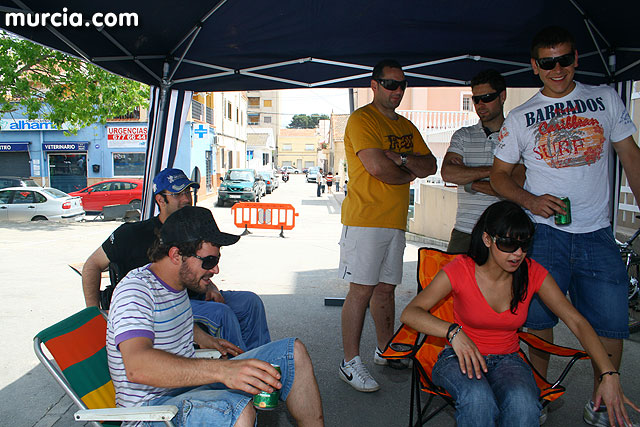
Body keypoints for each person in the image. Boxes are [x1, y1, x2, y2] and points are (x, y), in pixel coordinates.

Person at [490, 26, 640, 426]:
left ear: (576, 59)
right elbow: (499, 176)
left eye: (564, 60)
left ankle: (602, 401)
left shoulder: (605, 98)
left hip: (598, 233)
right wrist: (530, 201)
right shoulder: (520, 117)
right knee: (538, 323)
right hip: (544, 236)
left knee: (610, 325)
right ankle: (539, 394)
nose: (557, 69)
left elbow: (631, 157)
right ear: (535, 66)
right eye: (548, 62)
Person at [401, 201, 639, 427]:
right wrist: (453, 332)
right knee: (478, 400)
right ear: (487, 239)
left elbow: (576, 321)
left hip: (508, 359)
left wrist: (609, 373)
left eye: (524, 245)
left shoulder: (532, 273)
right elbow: (411, 313)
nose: (517, 254)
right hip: (457, 358)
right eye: (508, 244)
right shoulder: (461, 269)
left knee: (523, 404)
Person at [106, 206, 324, 427]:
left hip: (187, 389)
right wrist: (222, 371)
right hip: (151, 412)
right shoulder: (135, 292)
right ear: (176, 255)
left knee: (293, 353)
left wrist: (204, 338)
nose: (216, 270)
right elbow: (137, 366)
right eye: (209, 261)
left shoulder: (175, 284)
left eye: (217, 260)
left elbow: (166, 320)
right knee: (237, 411)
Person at [82, 167, 271, 353]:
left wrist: (211, 286)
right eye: (178, 194)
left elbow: (197, 265)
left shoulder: (194, 226)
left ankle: (261, 359)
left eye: (188, 192)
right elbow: (92, 265)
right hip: (164, 304)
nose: (186, 199)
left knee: (250, 302)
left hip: (192, 295)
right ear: (160, 200)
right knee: (220, 314)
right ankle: (240, 367)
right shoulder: (131, 234)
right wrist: (92, 314)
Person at [338, 59, 437, 392]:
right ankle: (349, 362)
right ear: (374, 85)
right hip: (364, 220)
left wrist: (403, 159)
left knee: (385, 290)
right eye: (390, 84)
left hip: (394, 221)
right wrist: (407, 172)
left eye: (402, 85)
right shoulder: (362, 119)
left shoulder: (406, 126)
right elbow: (378, 168)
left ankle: (386, 349)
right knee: (361, 291)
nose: (397, 90)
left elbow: (430, 164)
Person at [441, 69, 525, 253]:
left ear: (502, 96)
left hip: (505, 234)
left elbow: (517, 188)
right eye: (476, 99)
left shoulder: (519, 136)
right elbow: (448, 173)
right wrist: (500, 172)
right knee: (453, 273)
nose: (480, 104)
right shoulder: (463, 135)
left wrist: (470, 183)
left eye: (487, 98)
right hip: (465, 231)